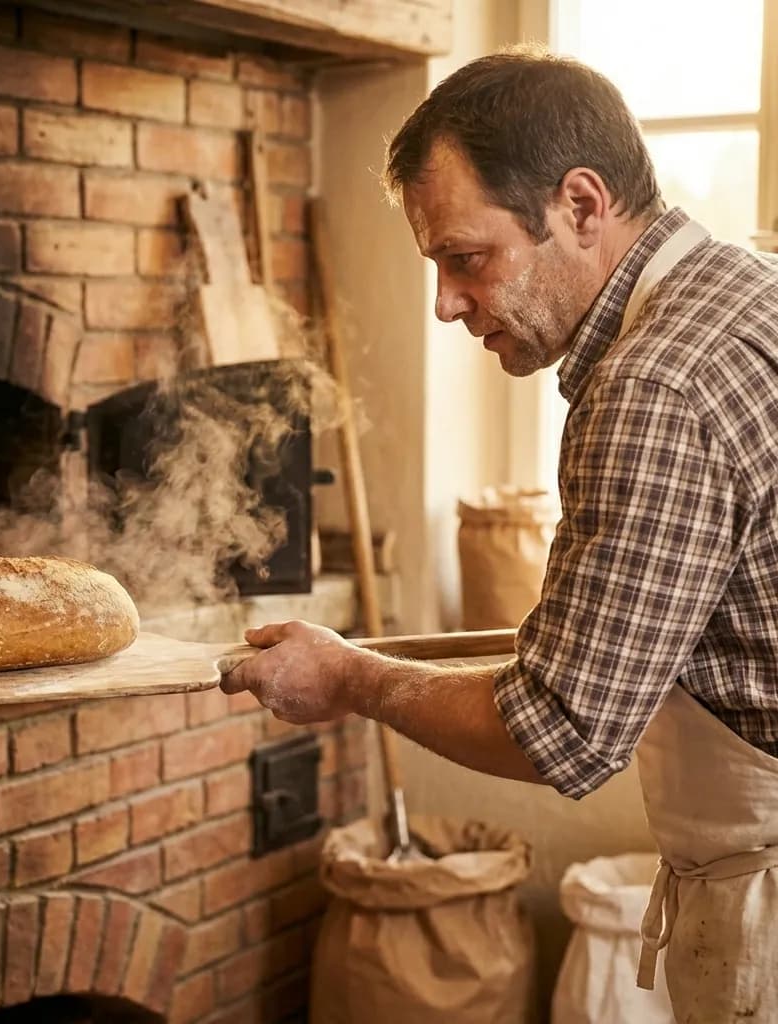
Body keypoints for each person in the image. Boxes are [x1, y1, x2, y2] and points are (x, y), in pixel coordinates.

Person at [221, 48, 778, 1021]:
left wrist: (351, 677)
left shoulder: (652, 388)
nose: (444, 303)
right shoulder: (748, 285)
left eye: (465, 258)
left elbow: (562, 727)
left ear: (579, 204)